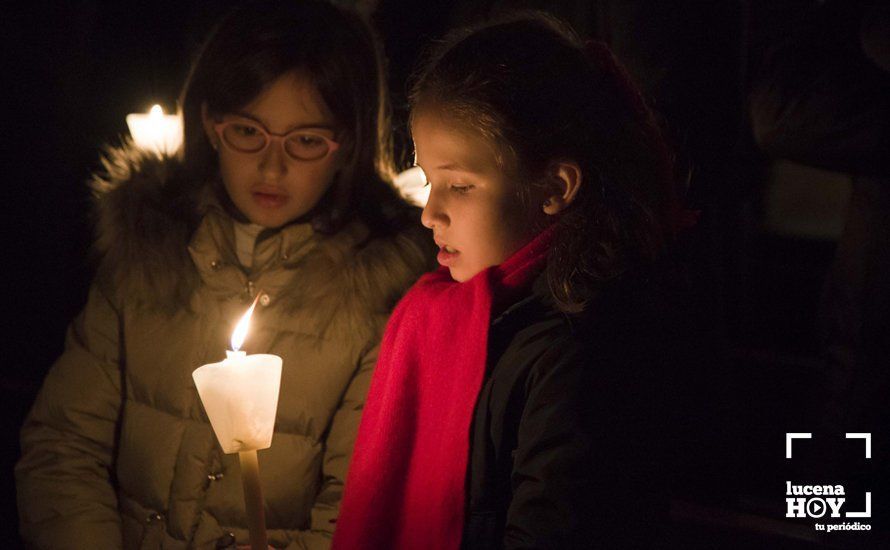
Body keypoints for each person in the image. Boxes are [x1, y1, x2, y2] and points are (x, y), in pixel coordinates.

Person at [15, 1, 433, 548]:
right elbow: (64, 447)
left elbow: (355, 514)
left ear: (346, 146)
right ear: (212, 125)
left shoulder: (380, 296)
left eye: (306, 140)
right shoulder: (150, 253)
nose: (272, 166)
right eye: (248, 131)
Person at [333, 13, 691, 550]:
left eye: (459, 185)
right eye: (429, 182)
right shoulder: (459, 311)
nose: (430, 213)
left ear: (554, 186)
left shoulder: (579, 351)